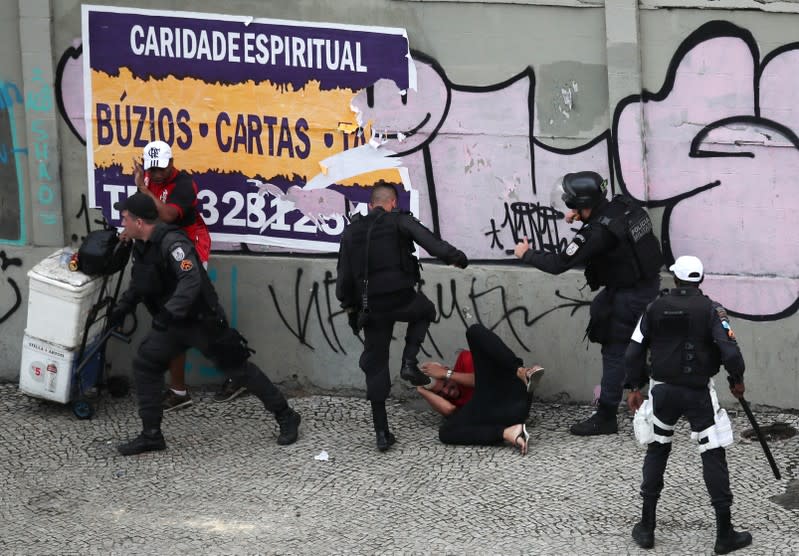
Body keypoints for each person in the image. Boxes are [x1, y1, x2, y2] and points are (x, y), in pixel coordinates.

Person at [108, 192, 301, 455]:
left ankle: (286, 415)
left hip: (201, 321)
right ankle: (151, 434)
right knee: (146, 364)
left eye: (125, 218)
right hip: (174, 324)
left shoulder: (173, 243)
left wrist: (167, 314)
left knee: (239, 369)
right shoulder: (142, 247)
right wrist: (121, 310)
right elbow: (141, 284)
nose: (122, 223)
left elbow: (190, 279)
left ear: (139, 222)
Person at [514, 171, 663, 435]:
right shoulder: (622, 205)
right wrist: (585, 217)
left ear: (584, 203)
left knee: (615, 349)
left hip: (629, 295)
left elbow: (560, 263)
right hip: (645, 285)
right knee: (629, 336)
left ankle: (607, 415)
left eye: (573, 204)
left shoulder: (597, 233)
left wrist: (527, 254)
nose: (569, 208)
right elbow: (610, 230)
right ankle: (638, 394)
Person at [624, 255, 751, 554]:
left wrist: (633, 387)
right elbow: (730, 350)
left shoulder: (653, 308)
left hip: (662, 391)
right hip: (698, 392)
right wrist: (737, 379)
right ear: (700, 279)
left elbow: (633, 351)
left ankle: (647, 528)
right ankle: (724, 533)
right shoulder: (712, 310)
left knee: (658, 448)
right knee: (712, 450)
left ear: (676, 279)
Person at [336, 181, 469, 451]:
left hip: (371, 308)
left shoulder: (352, 232)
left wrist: (351, 310)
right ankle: (409, 362)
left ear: (371, 204)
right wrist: (457, 258)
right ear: (393, 203)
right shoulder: (400, 221)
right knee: (426, 310)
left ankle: (382, 433)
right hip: (403, 299)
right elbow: (432, 243)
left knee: (376, 364)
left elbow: (344, 279)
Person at [133, 141, 245, 411]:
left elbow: (168, 215)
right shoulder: (148, 179)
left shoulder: (184, 183)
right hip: (166, 250)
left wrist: (143, 190)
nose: (157, 173)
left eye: (161, 168)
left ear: (172, 163)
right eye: (152, 169)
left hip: (191, 247)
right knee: (176, 320)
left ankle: (238, 372)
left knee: (199, 314)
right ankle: (179, 390)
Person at [416, 324, 544, 455]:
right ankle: (509, 433)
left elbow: (476, 380)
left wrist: (446, 374)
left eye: (445, 385)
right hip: (507, 413)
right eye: (440, 393)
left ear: (446, 369)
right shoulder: (450, 402)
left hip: (511, 390)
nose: (447, 392)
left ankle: (522, 372)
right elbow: (450, 410)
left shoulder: (462, 361)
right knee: (445, 433)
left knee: (474, 331)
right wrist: (421, 390)